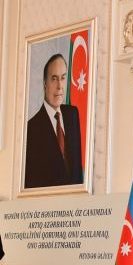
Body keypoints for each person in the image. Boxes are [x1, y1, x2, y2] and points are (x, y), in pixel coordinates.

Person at [24, 53, 83, 188]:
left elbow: (77, 169)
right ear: (45, 84)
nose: (59, 86)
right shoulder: (31, 128)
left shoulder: (73, 114)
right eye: (54, 79)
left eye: (63, 78)